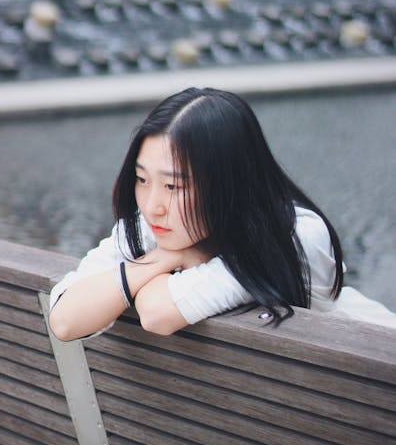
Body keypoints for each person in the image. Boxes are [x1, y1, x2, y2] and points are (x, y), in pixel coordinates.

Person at [49, 87, 396, 340]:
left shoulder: (297, 237)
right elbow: (64, 319)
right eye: (141, 179)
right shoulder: (154, 228)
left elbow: (156, 312)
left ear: (229, 182)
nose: (152, 203)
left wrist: (171, 257)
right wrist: (169, 257)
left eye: (173, 187)